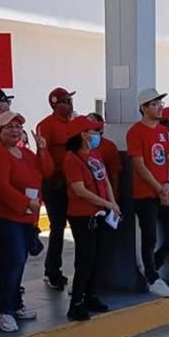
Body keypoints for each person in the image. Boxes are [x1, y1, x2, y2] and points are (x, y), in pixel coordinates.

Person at [0, 111, 54, 332]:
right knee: (12, 262)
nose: (15, 130)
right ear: (0, 130)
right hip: (7, 218)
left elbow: (47, 171)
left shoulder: (25, 154)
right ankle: (4, 309)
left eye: (18, 126)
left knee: (18, 262)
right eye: (9, 127)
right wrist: (26, 202)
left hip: (24, 217)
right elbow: (0, 187)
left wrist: (42, 149)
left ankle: (15, 303)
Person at [128, 88, 169, 297]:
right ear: (144, 108)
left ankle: (154, 263)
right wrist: (157, 187)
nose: (160, 107)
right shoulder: (135, 132)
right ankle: (152, 278)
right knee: (149, 235)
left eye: (160, 103)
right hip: (145, 194)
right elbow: (139, 165)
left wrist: (168, 185)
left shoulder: (162, 132)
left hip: (164, 191)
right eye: (154, 104)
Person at [63, 116, 120, 321]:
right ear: (82, 135)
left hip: (101, 212)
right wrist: (107, 204)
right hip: (82, 215)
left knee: (96, 258)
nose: (95, 135)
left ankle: (91, 295)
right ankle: (76, 302)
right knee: (85, 260)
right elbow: (79, 190)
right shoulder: (72, 159)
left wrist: (112, 203)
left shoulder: (94, 154)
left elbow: (104, 178)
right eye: (91, 131)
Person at [37, 87, 76, 290]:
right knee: (58, 227)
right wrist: (52, 179)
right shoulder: (46, 125)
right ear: (55, 104)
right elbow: (43, 156)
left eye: (70, 100)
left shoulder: (74, 124)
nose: (70, 104)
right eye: (66, 101)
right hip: (55, 184)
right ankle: (53, 270)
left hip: (73, 184)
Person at [87, 113, 123, 194]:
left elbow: (114, 175)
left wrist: (114, 198)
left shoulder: (109, 146)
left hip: (103, 193)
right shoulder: (77, 148)